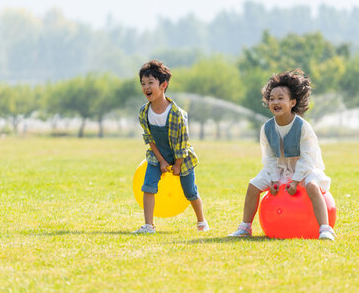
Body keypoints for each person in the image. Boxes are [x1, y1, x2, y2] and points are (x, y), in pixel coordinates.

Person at [229, 69, 335, 240]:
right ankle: (245, 227)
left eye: (280, 98)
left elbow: (308, 158)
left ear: (292, 102)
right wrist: (273, 179)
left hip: (304, 168)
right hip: (278, 168)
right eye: (271, 99)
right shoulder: (267, 128)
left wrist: (295, 180)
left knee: (312, 187)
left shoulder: (303, 127)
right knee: (253, 186)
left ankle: (325, 228)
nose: (275, 102)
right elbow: (269, 157)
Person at [133, 60, 209, 234]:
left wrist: (178, 163)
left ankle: (201, 221)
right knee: (148, 186)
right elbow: (149, 138)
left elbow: (183, 142)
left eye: (150, 83)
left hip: (181, 155)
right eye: (143, 84)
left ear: (163, 85)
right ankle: (148, 225)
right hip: (156, 154)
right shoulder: (144, 112)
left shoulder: (176, 114)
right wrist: (160, 160)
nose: (146, 87)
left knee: (190, 191)